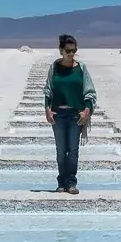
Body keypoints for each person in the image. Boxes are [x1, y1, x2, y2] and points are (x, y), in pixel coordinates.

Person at [42, 34, 97, 194]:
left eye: (74, 51)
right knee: (61, 151)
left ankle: (71, 183)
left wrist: (87, 110)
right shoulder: (55, 67)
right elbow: (48, 90)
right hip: (58, 115)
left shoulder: (81, 68)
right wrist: (47, 109)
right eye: (68, 51)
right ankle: (61, 182)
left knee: (73, 150)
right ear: (61, 50)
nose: (71, 54)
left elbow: (89, 91)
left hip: (75, 115)